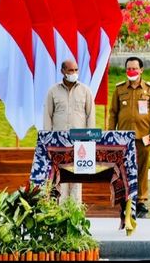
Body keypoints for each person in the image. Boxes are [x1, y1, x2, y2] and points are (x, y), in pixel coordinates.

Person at [107, 56, 150, 218]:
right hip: (123, 139)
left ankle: (140, 201)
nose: (131, 71)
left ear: (141, 70)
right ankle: (125, 200)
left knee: (142, 169)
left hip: (143, 137)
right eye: (128, 68)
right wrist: (111, 133)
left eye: (134, 68)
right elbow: (113, 113)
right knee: (123, 170)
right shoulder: (119, 89)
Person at [43, 58, 96, 203]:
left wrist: (90, 141)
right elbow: (47, 115)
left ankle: (75, 213)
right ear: (63, 71)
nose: (74, 73)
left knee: (76, 181)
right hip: (59, 144)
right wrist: (48, 140)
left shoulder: (85, 91)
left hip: (80, 144)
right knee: (60, 180)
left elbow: (90, 116)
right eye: (70, 70)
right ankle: (61, 214)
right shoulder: (53, 91)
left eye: (76, 70)